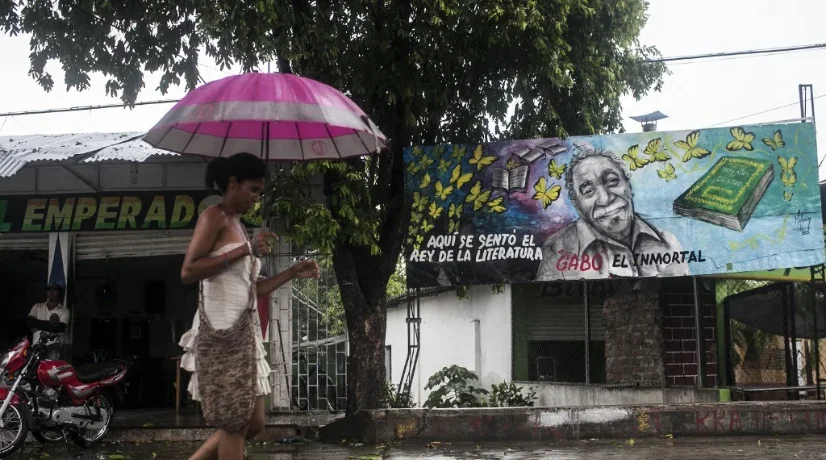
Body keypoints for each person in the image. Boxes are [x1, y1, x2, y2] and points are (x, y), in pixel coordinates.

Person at [179, 152, 319, 460]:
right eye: (253, 189)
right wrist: (245, 249)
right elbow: (188, 271)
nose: (257, 198)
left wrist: (291, 272)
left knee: (255, 422)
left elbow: (252, 290)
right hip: (221, 333)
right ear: (233, 183)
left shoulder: (240, 225)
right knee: (237, 423)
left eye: (260, 192)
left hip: (245, 334)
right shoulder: (214, 217)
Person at [536, 150, 689, 281]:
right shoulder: (557, 250)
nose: (605, 198)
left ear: (629, 186)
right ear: (578, 206)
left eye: (612, 181)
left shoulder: (668, 242)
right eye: (588, 191)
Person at [27, 283, 70, 360]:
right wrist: (51, 325)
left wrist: (37, 324)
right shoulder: (37, 306)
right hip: (36, 345)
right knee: (32, 369)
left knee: (52, 369)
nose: (51, 292)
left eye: (54, 290)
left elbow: (60, 328)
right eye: (49, 290)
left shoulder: (65, 311)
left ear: (59, 293)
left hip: (54, 345)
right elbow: (30, 323)